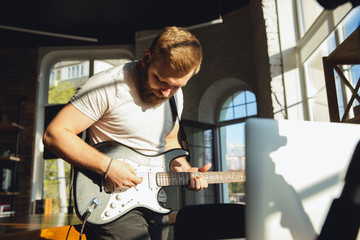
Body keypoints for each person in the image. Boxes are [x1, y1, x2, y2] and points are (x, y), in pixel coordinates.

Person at [42, 26, 211, 240]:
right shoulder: (108, 85)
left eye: (176, 86)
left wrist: (185, 169)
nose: (166, 92)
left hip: (154, 201)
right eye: (160, 80)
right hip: (110, 202)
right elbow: (54, 134)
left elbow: (168, 141)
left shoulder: (175, 97)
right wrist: (108, 166)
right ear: (147, 58)